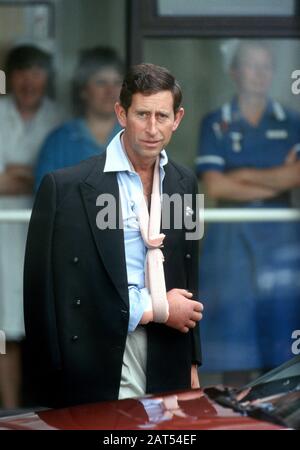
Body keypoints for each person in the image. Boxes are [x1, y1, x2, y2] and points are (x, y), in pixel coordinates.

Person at [24, 63, 203, 408]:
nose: (152, 128)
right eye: (142, 114)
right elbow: (61, 293)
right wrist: (158, 309)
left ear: (177, 119)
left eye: (162, 116)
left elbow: (188, 274)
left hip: (167, 351)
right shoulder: (66, 189)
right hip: (95, 354)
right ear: (121, 113)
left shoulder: (186, 184)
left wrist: (193, 360)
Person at [196, 40, 300, 381]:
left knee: (281, 339)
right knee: (236, 342)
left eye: (266, 66)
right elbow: (215, 186)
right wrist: (278, 179)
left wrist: (240, 174)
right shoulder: (215, 122)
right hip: (231, 239)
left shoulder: (292, 121)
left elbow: (297, 176)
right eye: (251, 65)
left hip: (281, 237)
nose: (259, 74)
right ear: (233, 72)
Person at [0, 45, 62, 408]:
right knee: (4, 330)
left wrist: (17, 174)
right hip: (3, 233)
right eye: (22, 71)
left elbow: (53, 178)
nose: (29, 80)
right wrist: (32, 175)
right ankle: (8, 413)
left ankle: (46, 410)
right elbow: (41, 177)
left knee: (44, 325)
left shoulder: (59, 118)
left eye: (37, 72)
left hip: (43, 232)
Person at [34, 46, 123, 189]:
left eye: (117, 82)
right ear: (83, 90)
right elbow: (45, 198)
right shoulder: (59, 141)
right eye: (101, 82)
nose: (110, 91)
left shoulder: (136, 137)